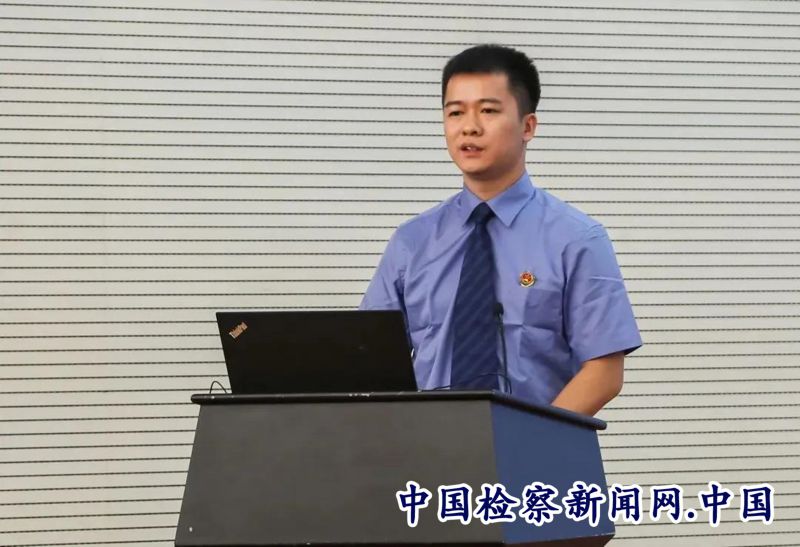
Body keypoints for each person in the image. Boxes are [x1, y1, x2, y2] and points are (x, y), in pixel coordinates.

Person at [359, 44, 642, 416]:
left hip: (539, 444)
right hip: (431, 443)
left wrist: (530, 437)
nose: (469, 127)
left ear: (528, 126)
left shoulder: (575, 239)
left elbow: (603, 371)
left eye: (488, 110)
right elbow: (371, 360)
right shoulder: (412, 242)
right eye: (455, 112)